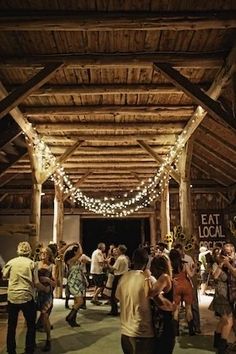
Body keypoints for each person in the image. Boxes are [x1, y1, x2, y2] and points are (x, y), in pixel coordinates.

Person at [2, 241, 49, 354]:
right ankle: (29, 350)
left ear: (18, 250)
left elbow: (4, 276)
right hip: (27, 297)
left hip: (13, 297)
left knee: (11, 326)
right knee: (31, 326)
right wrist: (45, 289)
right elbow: (36, 283)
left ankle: (11, 350)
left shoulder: (11, 262)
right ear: (29, 251)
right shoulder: (32, 264)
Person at [115, 248, 155, 354]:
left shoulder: (124, 278)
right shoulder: (148, 279)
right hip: (144, 332)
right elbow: (158, 301)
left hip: (125, 332)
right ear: (146, 262)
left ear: (132, 261)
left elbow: (118, 297)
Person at [148, 255, 175, 354]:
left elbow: (151, 292)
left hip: (164, 322)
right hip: (162, 321)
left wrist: (147, 278)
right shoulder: (164, 277)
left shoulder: (164, 277)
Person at [208, 247, 233, 353]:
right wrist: (222, 264)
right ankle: (221, 348)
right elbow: (215, 276)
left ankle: (217, 342)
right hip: (221, 297)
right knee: (228, 321)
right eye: (223, 254)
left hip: (227, 296)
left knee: (223, 320)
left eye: (227, 253)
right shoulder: (217, 264)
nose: (223, 256)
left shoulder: (231, 263)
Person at [169, 249, 195, 336]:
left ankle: (176, 332)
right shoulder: (184, 264)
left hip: (176, 287)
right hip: (186, 286)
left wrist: (173, 280)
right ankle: (191, 331)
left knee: (176, 309)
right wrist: (195, 269)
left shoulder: (170, 265)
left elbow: (168, 277)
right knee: (188, 308)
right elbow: (190, 275)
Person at [37, 247, 56, 352]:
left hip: (47, 294)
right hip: (36, 293)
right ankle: (30, 340)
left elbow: (55, 283)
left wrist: (48, 280)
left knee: (45, 317)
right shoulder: (36, 264)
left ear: (49, 255)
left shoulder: (52, 266)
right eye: (42, 253)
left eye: (46, 253)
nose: (44, 254)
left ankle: (48, 340)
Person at [66, 243, 85, 327]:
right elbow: (81, 253)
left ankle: (73, 320)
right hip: (73, 283)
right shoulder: (70, 261)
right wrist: (79, 244)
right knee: (80, 302)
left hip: (78, 283)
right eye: (77, 251)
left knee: (77, 302)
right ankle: (69, 317)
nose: (78, 252)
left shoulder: (76, 261)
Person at [107, 244, 129, 316]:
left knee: (113, 295)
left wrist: (107, 263)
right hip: (124, 277)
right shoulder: (125, 258)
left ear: (121, 250)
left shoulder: (120, 259)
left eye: (118, 249)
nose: (117, 251)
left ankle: (114, 311)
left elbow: (113, 269)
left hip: (118, 277)